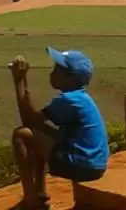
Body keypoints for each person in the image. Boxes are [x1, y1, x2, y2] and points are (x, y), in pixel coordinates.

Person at [9, 47, 109, 210]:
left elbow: (28, 120)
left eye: (58, 70)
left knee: (21, 135)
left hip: (81, 165)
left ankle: (30, 201)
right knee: (38, 134)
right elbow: (35, 124)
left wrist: (19, 80)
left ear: (71, 78)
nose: (52, 73)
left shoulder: (69, 100)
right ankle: (39, 196)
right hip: (93, 164)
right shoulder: (81, 97)